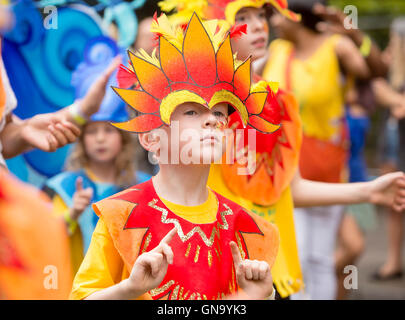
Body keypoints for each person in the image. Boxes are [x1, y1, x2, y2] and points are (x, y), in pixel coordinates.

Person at [160, 0, 405, 300]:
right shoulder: (191, 107)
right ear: (213, 26)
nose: (261, 24)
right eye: (244, 17)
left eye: (262, 15)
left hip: (274, 271)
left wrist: (366, 192)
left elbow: (291, 191)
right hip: (215, 270)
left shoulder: (278, 102)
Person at [70, 13, 280, 300]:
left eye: (219, 112)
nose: (211, 121)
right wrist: (129, 289)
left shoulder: (246, 228)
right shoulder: (122, 214)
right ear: (151, 138)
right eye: (192, 111)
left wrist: (258, 296)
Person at [43, 41, 150, 275]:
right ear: (81, 139)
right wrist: (72, 215)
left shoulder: (144, 187)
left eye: (109, 130)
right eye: (92, 132)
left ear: (122, 138)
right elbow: (41, 242)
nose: (100, 138)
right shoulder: (61, 187)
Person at [371, 17, 405, 281]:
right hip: (392, 136)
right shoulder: (389, 63)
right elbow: (377, 89)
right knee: (396, 201)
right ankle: (393, 262)